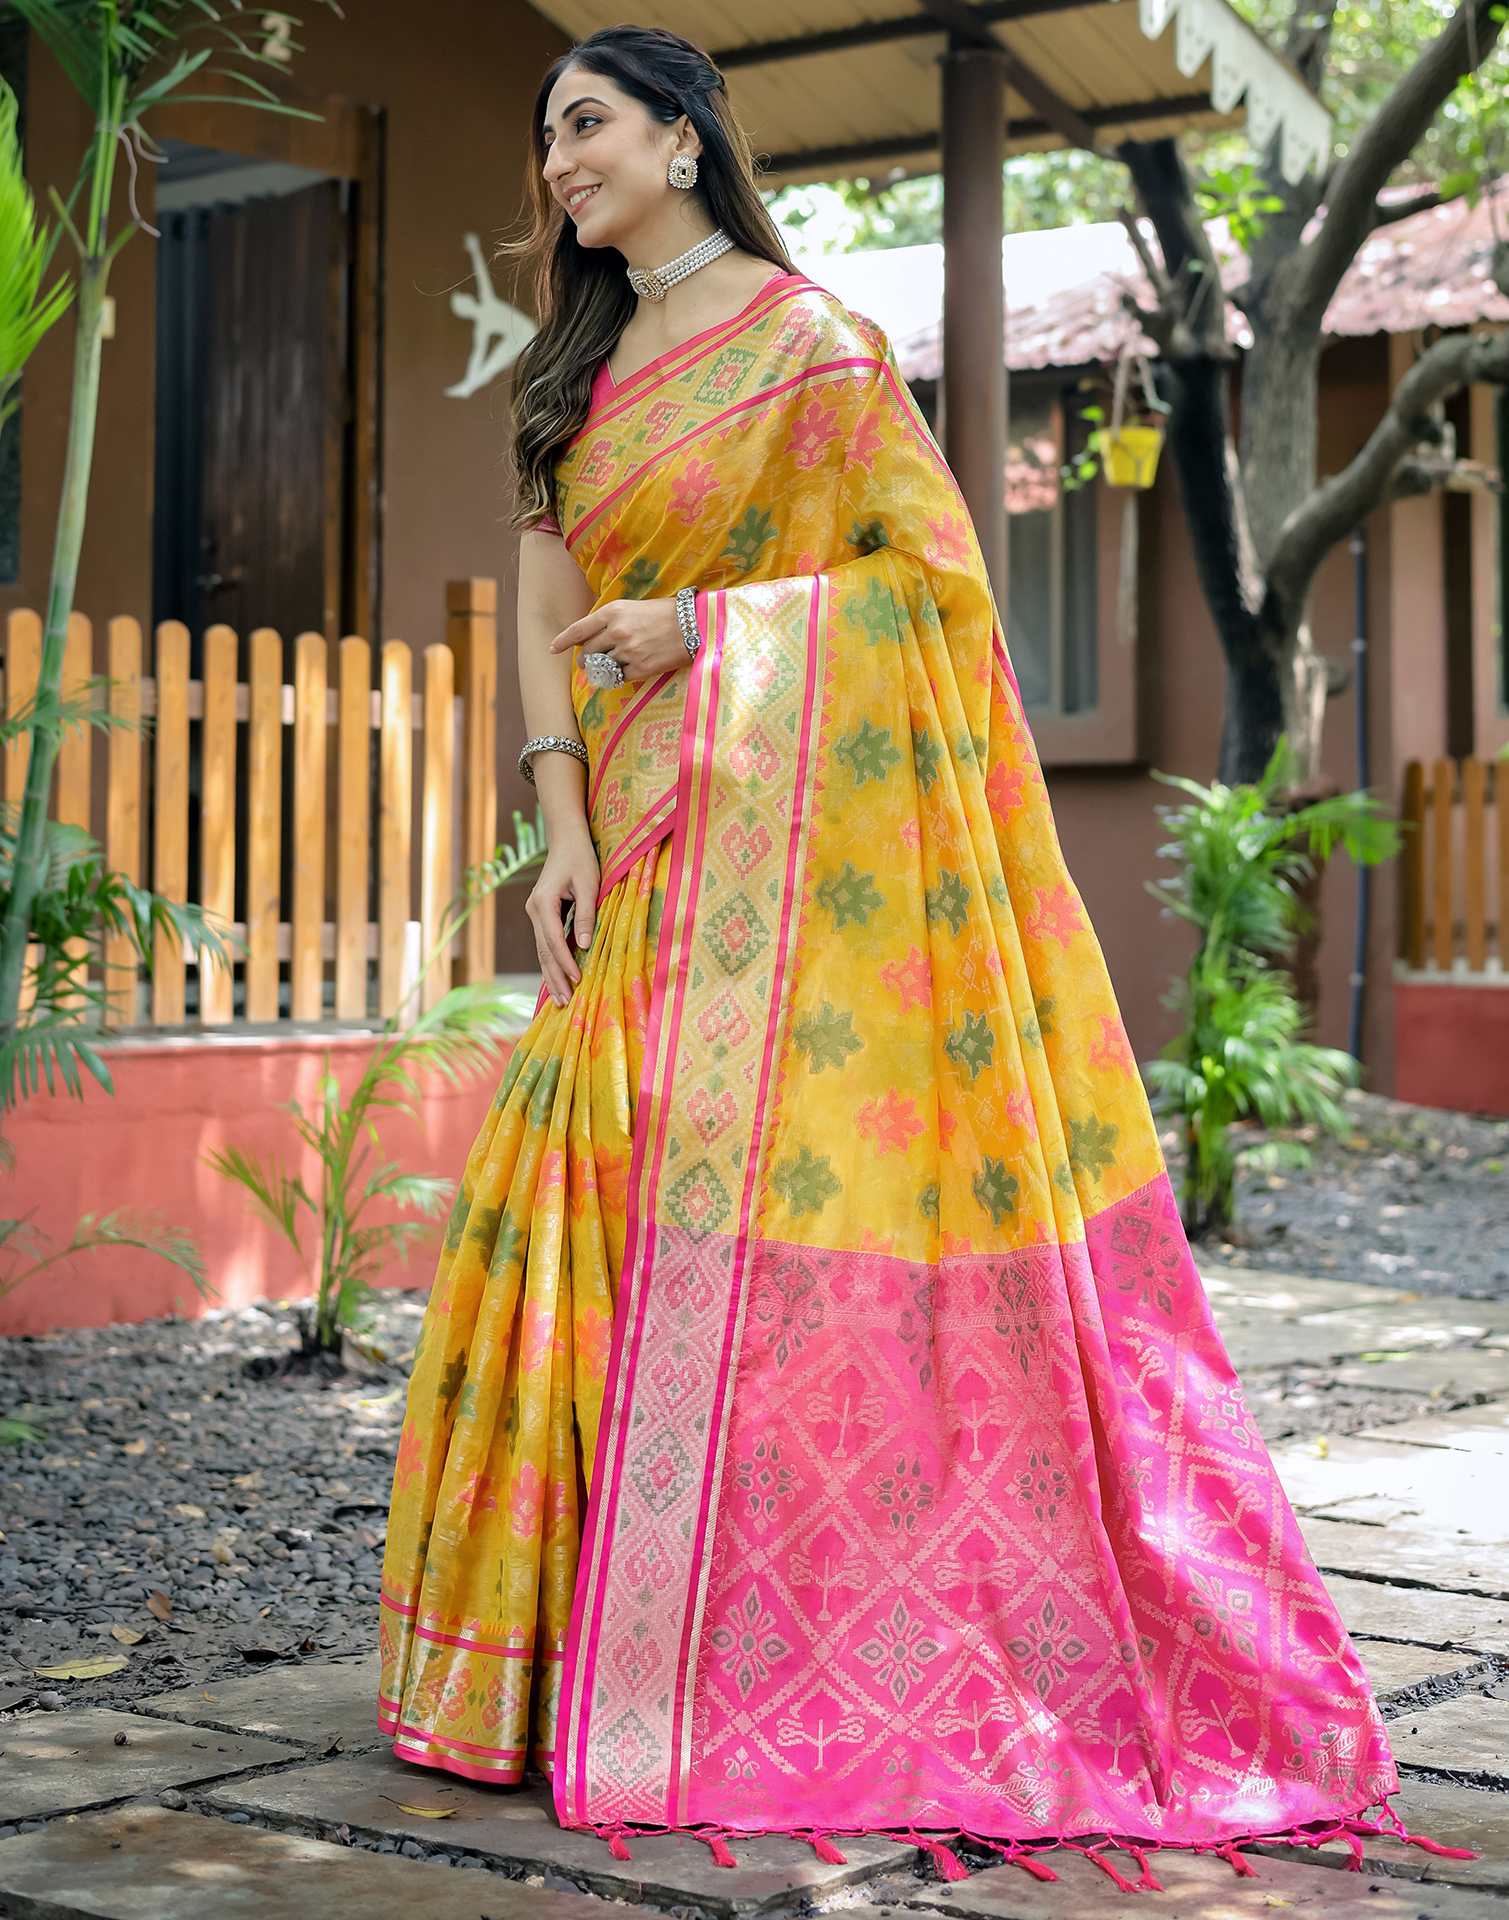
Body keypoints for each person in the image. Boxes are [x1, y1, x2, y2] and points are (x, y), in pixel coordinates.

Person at [378, 22, 1468, 1884]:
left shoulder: (815, 349)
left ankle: (726, 1644)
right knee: (597, 1196)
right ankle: (568, 1654)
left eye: (584, 124)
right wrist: (551, 829)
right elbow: (545, 608)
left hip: (787, 859)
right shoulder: (572, 365)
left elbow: (930, 596)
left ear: (681, 137)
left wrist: (712, 633)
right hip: (633, 841)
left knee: (730, 1227)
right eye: (547, 134)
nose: (555, 160)